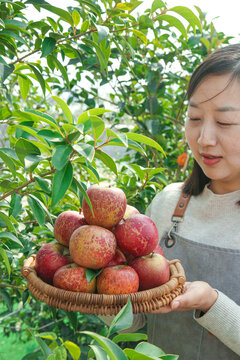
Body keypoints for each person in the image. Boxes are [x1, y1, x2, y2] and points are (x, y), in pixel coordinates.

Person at [100, 43, 240, 359]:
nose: (204, 138)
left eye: (225, 122)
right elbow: (134, 322)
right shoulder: (169, 204)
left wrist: (211, 303)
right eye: (194, 117)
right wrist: (99, 283)